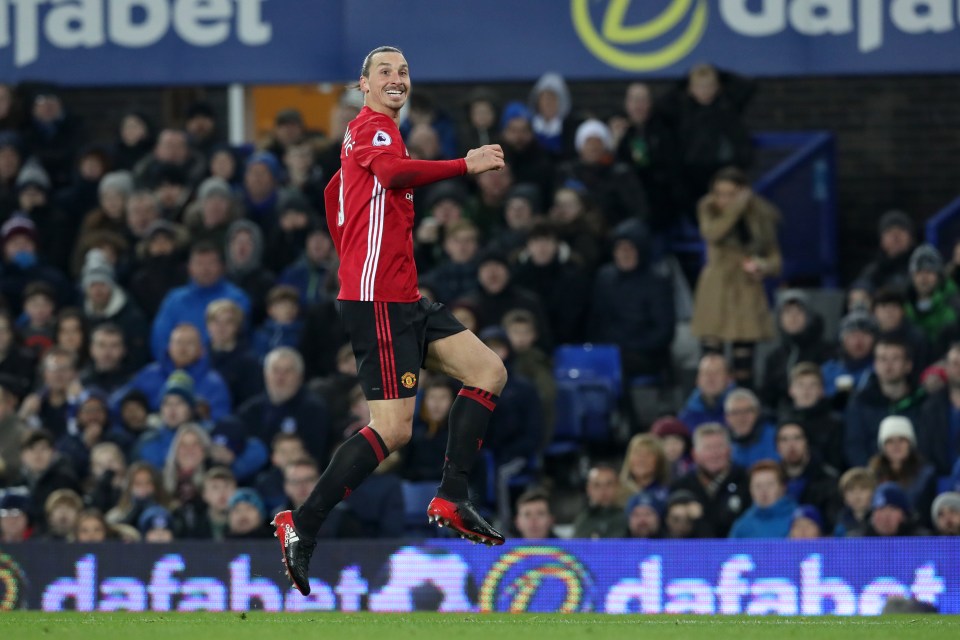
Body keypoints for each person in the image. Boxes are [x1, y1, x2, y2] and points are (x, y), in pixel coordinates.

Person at [271, 46, 511, 594]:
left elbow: (337, 198)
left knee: (488, 371)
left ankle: (452, 495)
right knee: (393, 428)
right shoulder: (371, 129)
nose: (396, 78)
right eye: (385, 71)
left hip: (402, 296)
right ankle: (301, 525)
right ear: (364, 84)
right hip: (378, 299)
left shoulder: (370, 137)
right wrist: (463, 164)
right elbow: (393, 171)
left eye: (403, 71)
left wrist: (358, 251)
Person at [690, 167, 781, 387]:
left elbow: (776, 259)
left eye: (731, 194)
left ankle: (744, 407)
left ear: (744, 192)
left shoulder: (760, 215)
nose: (724, 200)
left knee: (744, 361)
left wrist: (762, 266)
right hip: (716, 288)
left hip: (745, 288)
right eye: (720, 194)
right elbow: (713, 233)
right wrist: (737, 208)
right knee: (712, 356)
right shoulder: (707, 209)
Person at [844, 338, 926, 467]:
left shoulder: (923, 400)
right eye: (882, 359)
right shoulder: (861, 401)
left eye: (895, 359)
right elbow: (855, 445)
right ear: (875, 365)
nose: (888, 365)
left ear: (908, 365)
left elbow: (929, 444)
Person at [670, 423, 751, 537]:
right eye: (708, 448)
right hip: (693, 552)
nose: (714, 453)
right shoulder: (681, 486)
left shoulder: (746, 481)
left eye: (719, 446)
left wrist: (700, 516)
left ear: (729, 450)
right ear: (695, 454)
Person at [728, 460, 797, 539]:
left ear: (782, 487)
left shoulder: (799, 520)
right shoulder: (742, 526)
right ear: (750, 490)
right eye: (758, 486)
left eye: (770, 484)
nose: (763, 491)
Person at [571, 464, 629, 538]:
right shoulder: (582, 519)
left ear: (617, 486)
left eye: (609, 484)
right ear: (589, 489)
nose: (603, 490)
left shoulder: (628, 517)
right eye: (597, 485)